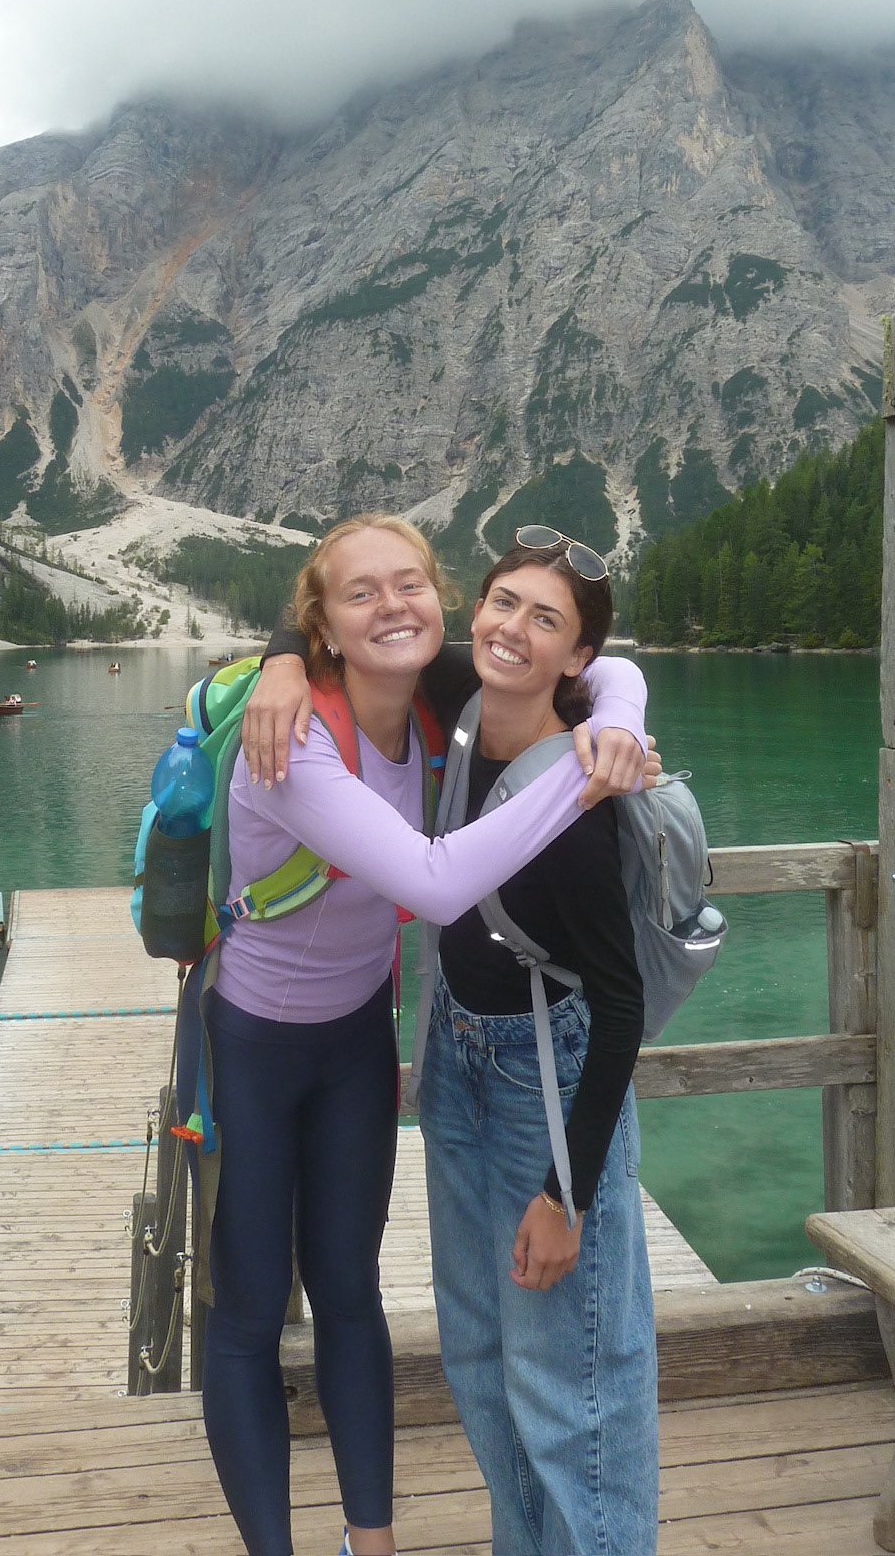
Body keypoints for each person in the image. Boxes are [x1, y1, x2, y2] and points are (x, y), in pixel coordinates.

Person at [195, 514, 652, 1556]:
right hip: (256, 1045)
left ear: (443, 601)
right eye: (363, 593)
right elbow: (436, 881)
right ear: (322, 626)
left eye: (413, 583)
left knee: (352, 1292)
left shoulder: (442, 690)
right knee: (252, 1308)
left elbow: (601, 663)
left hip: (359, 1038)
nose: (393, 605)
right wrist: (580, 775)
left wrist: (615, 716)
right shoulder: (295, 735)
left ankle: (373, 1542)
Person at [420, 533, 656, 1554]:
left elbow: (619, 1007)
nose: (511, 627)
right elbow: (330, 617)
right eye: (501, 602)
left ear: (575, 660)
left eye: (544, 618)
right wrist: (289, 663)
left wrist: (568, 1191)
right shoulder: (462, 698)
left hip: (544, 1083)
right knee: (479, 1356)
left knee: (574, 1384)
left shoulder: (580, 802)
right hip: (454, 1061)